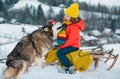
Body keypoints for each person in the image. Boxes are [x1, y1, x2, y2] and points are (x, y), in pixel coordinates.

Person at [56, 3, 85, 74]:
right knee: (57, 49)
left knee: (60, 53)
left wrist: (62, 46)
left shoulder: (74, 27)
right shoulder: (68, 24)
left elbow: (71, 40)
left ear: (72, 17)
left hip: (73, 46)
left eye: (67, 16)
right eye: (65, 15)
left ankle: (68, 66)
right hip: (68, 44)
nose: (65, 17)